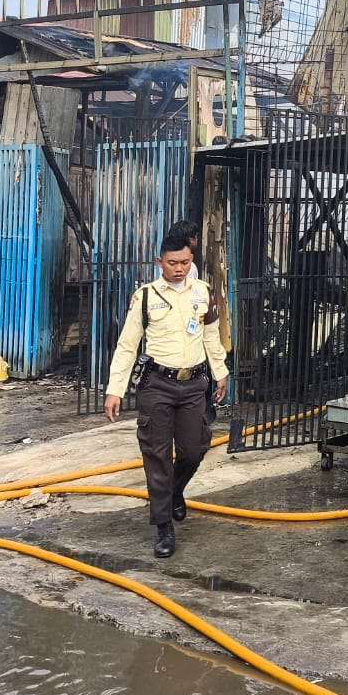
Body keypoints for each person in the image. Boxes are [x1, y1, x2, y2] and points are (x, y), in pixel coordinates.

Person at [105, 230, 229, 558]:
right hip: (157, 385)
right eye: (172, 263)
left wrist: (221, 372)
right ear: (160, 262)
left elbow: (211, 336)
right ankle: (163, 528)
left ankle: (175, 491)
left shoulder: (204, 294)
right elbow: (127, 345)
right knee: (157, 456)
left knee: (194, 449)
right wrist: (115, 390)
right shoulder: (146, 297)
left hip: (193, 385)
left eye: (185, 262)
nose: (179, 269)